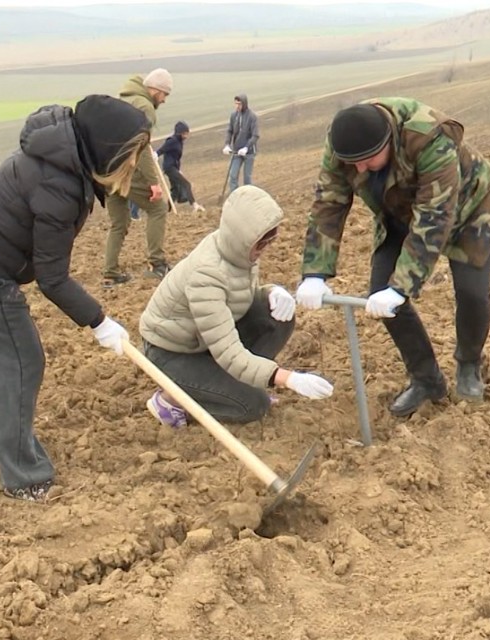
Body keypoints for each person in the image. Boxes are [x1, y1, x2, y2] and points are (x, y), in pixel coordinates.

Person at [0, 94, 151, 502]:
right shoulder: (60, 185)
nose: (133, 165)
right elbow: (52, 279)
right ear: (108, 150)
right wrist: (99, 321)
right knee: (20, 359)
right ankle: (25, 476)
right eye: (129, 156)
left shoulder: (59, 158)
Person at [295, 99, 490, 417]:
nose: (359, 169)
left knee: (472, 293)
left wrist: (402, 286)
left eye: (367, 160)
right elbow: (329, 202)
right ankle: (426, 379)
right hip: (399, 211)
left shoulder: (429, 138)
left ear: (388, 142)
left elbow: (434, 218)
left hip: (470, 209)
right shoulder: (344, 143)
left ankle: (469, 364)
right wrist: (315, 272)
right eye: (353, 163)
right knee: (380, 291)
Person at [139, 186, 332, 428]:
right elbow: (227, 351)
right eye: (261, 243)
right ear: (243, 238)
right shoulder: (206, 274)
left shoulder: (238, 251)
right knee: (253, 405)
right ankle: (173, 400)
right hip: (173, 353)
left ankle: (236, 386)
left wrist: (271, 292)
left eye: (270, 240)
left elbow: (237, 296)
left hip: (202, 339)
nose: (265, 248)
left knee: (276, 316)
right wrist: (286, 378)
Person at [102, 68, 173, 287]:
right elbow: (140, 149)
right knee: (158, 208)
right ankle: (157, 264)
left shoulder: (122, 100)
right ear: (156, 90)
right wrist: (153, 183)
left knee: (119, 222)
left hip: (106, 170)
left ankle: (111, 272)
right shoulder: (144, 107)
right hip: (126, 171)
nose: (164, 100)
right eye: (165, 94)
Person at [156, 121, 204, 212]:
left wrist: (178, 170)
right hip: (169, 168)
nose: (186, 136)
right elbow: (161, 150)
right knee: (186, 184)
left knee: (175, 189)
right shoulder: (172, 141)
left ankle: (168, 210)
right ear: (179, 133)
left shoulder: (179, 142)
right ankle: (194, 205)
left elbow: (176, 157)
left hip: (173, 168)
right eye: (185, 133)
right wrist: (156, 155)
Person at [221, 93, 260, 194]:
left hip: (249, 152)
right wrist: (227, 144)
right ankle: (236, 196)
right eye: (236, 104)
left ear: (244, 104)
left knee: (247, 178)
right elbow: (230, 131)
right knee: (233, 176)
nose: (237, 106)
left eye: (239, 104)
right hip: (236, 151)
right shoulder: (234, 116)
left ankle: (249, 197)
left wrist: (246, 147)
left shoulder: (252, 117)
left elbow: (255, 135)